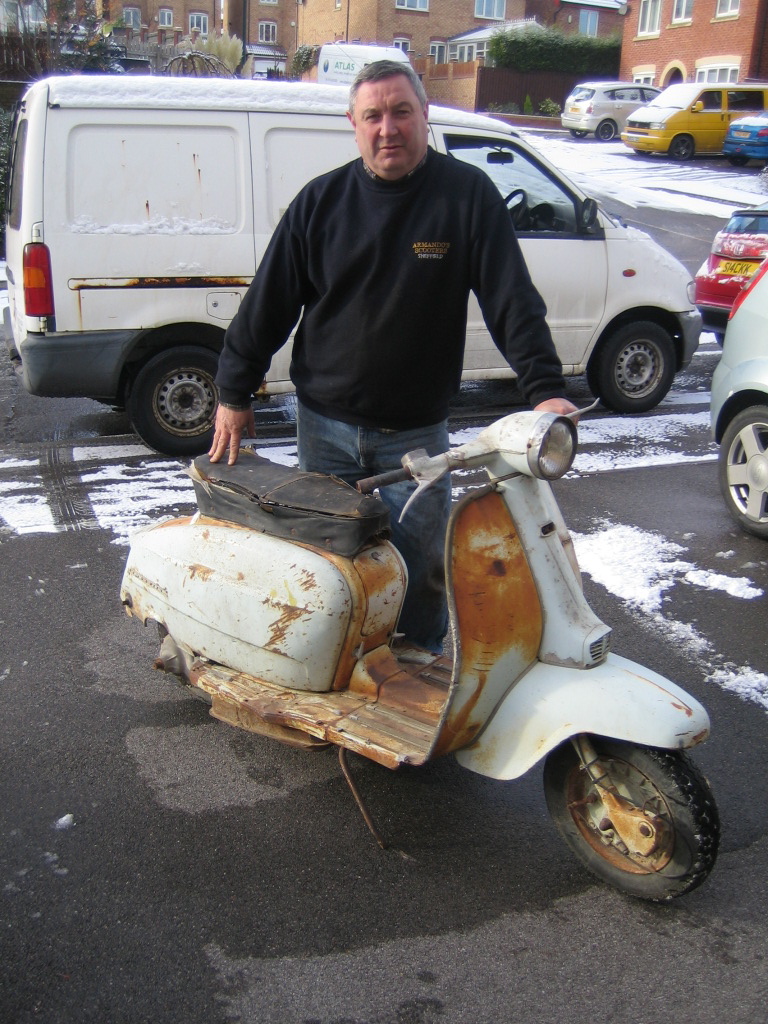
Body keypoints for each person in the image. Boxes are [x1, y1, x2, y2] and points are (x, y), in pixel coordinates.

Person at [209, 59, 577, 653]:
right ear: (353, 124)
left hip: (417, 435)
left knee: (422, 568)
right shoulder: (320, 202)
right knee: (327, 567)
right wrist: (233, 391)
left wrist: (544, 390)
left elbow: (511, 299)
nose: (388, 128)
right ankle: (336, 668)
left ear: (425, 116)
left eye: (402, 112)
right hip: (324, 428)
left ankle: (420, 666)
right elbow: (267, 304)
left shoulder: (466, 196)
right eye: (373, 116)